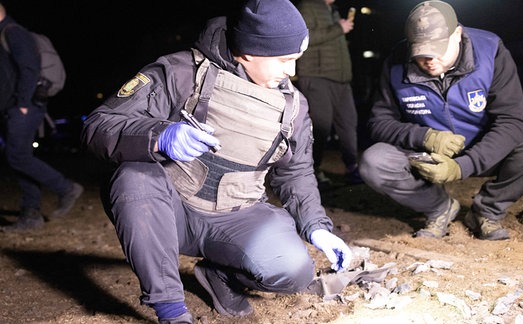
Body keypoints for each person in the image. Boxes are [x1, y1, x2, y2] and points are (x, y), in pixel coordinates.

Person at [81, 0, 352, 323]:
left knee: (293, 270)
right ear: (251, 50)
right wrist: (159, 135)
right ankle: (171, 309)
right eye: (284, 60)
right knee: (133, 177)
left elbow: (296, 172)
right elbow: (98, 126)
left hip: (237, 215)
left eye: (296, 60)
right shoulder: (181, 72)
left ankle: (220, 277)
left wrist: (316, 227)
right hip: (170, 210)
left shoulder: (293, 106)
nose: (291, 72)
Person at [359, 0, 523, 240]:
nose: (429, 60)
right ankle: (438, 207)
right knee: (374, 161)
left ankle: (487, 211)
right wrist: (424, 136)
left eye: (437, 50)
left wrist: (463, 166)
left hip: (484, 145)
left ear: (458, 34)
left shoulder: (491, 51)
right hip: (429, 155)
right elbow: (379, 122)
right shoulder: (395, 63)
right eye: (421, 52)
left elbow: (511, 121)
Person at [0, 2, 83, 232]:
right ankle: (30, 214)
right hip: (16, 108)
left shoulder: (13, 32)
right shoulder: (5, 34)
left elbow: (30, 69)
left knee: (16, 156)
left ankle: (66, 188)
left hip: (25, 108)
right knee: (20, 158)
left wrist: (23, 104)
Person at [295, 0, 362, 187]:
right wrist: (338, 28)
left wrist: (338, 28)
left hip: (341, 80)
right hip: (316, 76)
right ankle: (312, 172)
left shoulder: (331, 9)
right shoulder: (307, 6)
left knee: (349, 123)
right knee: (320, 128)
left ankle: (352, 167)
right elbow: (304, 38)